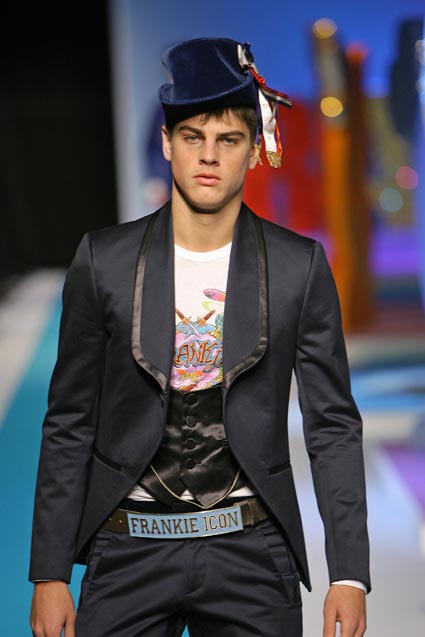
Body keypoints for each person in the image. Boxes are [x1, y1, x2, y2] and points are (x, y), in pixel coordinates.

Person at [29, 37, 370, 637]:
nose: (209, 156)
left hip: (252, 550)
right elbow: (70, 420)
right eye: (192, 137)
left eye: (228, 140)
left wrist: (348, 574)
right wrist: (50, 572)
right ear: (167, 142)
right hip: (127, 547)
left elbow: (332, 424)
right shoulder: (104, 260)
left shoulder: (298, 267)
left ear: (253, 150)